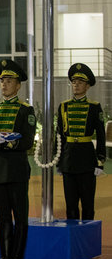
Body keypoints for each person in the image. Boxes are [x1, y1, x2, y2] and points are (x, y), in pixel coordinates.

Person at [0, 59, 36, 259]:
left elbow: (28, 141)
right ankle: (4, 257)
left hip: (16, 168)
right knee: (3, 216)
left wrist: (6, 142)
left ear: (18, 85)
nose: (4, 84)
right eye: (2, 80)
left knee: (20, 216)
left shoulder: (25, 110)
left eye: (9, 80)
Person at [57, 63, 106, 220]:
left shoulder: (94, 107)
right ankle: (73, 242)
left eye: (80, 82)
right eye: (74, 82)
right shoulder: (63, 106)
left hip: (86, 159)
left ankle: (87, 242)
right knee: (70, 207)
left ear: (87, 86)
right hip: (69, 160)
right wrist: (58, 160)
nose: (76, 85)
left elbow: (100, 135)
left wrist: (100, 161)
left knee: (88, 206)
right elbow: (59, 134)